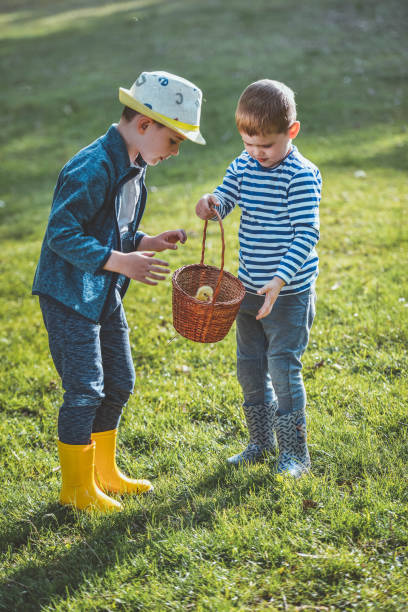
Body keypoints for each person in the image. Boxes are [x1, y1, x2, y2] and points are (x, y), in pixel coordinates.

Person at [32, 71, 205, 511]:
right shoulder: (93, 166)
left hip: (102, 290)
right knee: (86, 388)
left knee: (120, 382)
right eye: (175, 141)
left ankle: (103, 473)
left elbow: (112, 227)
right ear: (145, 125)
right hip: (69, 293)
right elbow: (61, 235)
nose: (175, 152)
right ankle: (75, 490)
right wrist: (120, 261)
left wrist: (145, 242)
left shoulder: (134, 163)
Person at [195, 79, 321, 477]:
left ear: (292, 132)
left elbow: (307, 234)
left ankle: (295, 453)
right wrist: (210, 204)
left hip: (287, 295)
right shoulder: (244, 164)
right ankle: (260, 442)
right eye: (249, 144)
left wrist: (280, 280)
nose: (256, 154)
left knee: (282, 368)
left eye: (265, 146)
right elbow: (225, 198)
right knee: (249, 366)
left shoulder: (299, 176)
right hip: (248, 290)